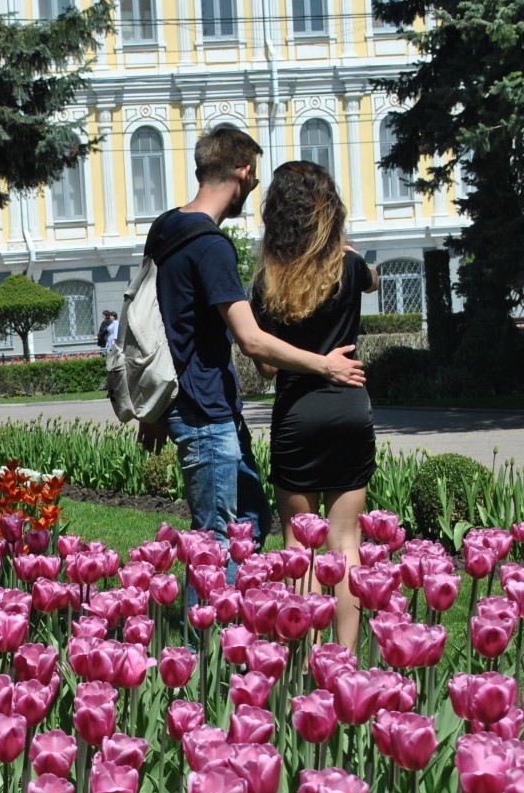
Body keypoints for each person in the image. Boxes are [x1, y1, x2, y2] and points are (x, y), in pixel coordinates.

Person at [138, 127, 364, 602]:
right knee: (217, 545)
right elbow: (254, 342)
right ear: (241, 172)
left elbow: (156, 324)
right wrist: (325, 366)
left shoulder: (166, 227)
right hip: (206, 412)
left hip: (193, 403)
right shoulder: (211, 246)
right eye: (255, 175)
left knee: (253, 521)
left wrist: (154, 409)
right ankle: (211, 651)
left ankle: (238, 636)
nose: (256, 187)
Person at [249, 160, 380, 647]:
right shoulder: (349, 267)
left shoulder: (267, 282)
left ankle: (304, 659)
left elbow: (265, 367)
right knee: (345, 543)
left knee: (299, 545)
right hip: (348, 406)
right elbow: (374, 279)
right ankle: (344, 661)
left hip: (297, 415)